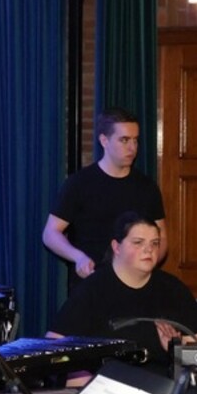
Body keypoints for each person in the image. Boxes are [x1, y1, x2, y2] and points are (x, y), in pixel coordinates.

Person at [47, 212, 197, 380]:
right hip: (106, 388)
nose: (149, 249)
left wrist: (175, 352)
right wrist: (85, 385)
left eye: (155, 243)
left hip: (162, 388)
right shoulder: (92, 290)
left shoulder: (174, 290)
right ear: (116, 247)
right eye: (138, 242)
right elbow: (55, 350)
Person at [43, 107, 167, 292]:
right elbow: (51, 233)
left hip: (136, 286)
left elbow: (161, 236)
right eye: (124, 140)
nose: (132, 147)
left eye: (135, 140)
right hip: (91, 284)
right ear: (104, 141)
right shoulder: (80, 183)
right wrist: (78, 257)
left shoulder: (147, 187)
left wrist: (149, 262)